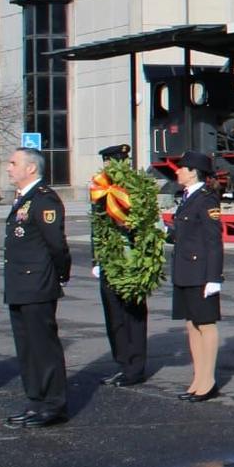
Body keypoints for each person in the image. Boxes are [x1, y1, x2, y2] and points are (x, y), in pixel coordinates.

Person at [1, 146, 72, 428]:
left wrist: (60, 275)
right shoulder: (24, 199)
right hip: (20, 284)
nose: (8, 167)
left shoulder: (44, 199)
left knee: (43, 347)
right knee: (27, 347)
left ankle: (53, 404)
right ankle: (35, 400)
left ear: (31, 168)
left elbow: (57, 245)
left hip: (38, 283)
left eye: (13, 162)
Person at [89, 144, 152, 387]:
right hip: (109, 261)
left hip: (131, 260)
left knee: (133, 316)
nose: (109, 167)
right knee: (113, 317)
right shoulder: (101, 189)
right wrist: (96, 259)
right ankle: (122, 363)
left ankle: (135, 367)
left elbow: (146, 223)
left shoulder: (136, 187)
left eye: (113, 162)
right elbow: (97, 226)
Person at [168, 150, 226, 401]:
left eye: (181, 168)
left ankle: (208, 380)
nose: (177, 171)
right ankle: (198, 378)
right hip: (184, 271)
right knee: (191, 324)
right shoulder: (186, 197)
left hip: (200, 271)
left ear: (193, 172)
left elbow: (214, 241)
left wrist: (214, 277)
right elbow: (183, 234)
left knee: (205, 324)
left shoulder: (206, 199)